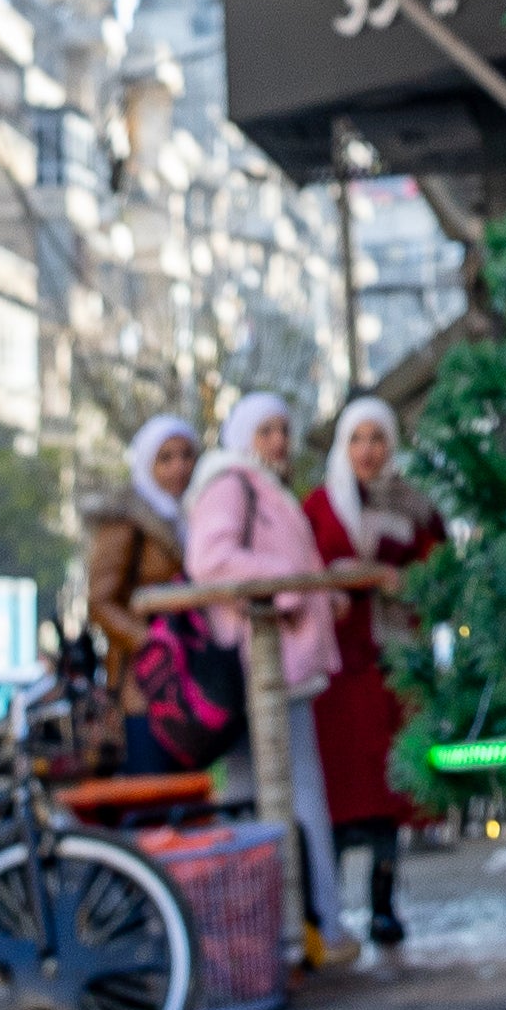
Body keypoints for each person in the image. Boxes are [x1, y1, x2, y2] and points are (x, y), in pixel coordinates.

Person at [186, 392, 353, 957]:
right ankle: (307, 929)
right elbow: (211, 560)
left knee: (269, 794)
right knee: (290, 792)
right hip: (263, 663)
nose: (279, 441)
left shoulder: (263, 488)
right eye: (266, 431)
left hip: (282, 662)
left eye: (284, 429)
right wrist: (286, 587)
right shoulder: (233, 486)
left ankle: (288, 932)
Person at [302, 393, 443, 949]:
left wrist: (391, 580)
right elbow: (301, 566)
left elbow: (439, 577)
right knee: (335, 792)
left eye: (378, 438)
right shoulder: (319, 506)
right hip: (336, 668)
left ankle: (384, 902)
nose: (368, 450)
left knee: (389, 792)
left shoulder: (415, 506)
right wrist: (333, 581)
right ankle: (326, 906)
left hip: (392, 663)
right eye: (358, 438)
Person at [88, 412, 217, 770]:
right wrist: (149, 642)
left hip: (190, 684)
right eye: (166, 458)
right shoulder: (127, 518)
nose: (179, 467)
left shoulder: (191, 518)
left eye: (186, 455)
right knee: (154, 801)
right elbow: (99, 601)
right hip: (145, 687)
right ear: (147, 462)